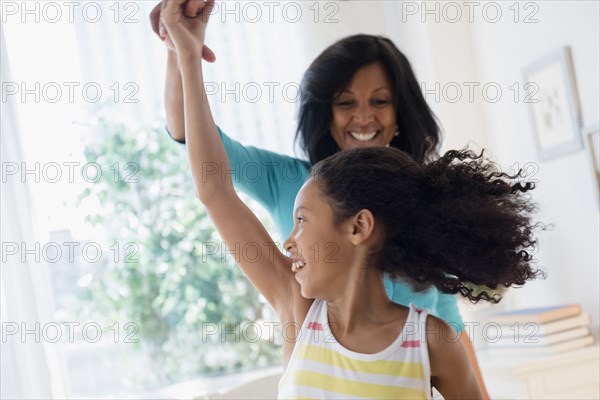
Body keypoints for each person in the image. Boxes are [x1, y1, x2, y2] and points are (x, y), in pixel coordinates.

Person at [151, 1, 485, 395]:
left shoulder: (431, 338)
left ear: (360, 226)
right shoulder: (299, 308)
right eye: (346, 102)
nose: (289, 240)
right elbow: (213, 187)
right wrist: (186, 57)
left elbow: (452, 328)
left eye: (303, 221)